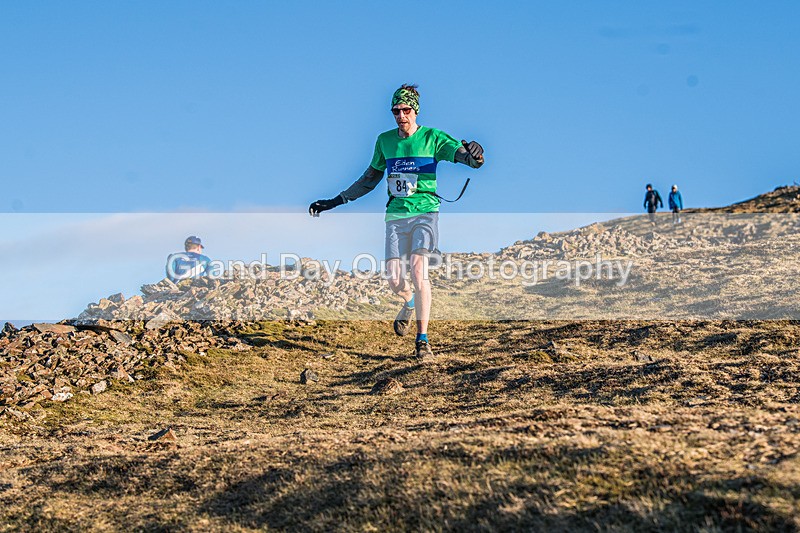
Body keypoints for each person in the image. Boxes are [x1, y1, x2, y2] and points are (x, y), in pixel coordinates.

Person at [309, 84, 485, 358]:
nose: (401, 115)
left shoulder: (433, 138)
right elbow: (369, 179)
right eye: (396, 111)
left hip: (425, 212)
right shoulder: (384, 141)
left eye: (406, 110)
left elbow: (468, 158)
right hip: (395, 215)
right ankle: (410, 302)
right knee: (394, 279)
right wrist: (335, 201)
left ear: (415, 110)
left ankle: (422, 341)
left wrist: (476, 154)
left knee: (418, 270)